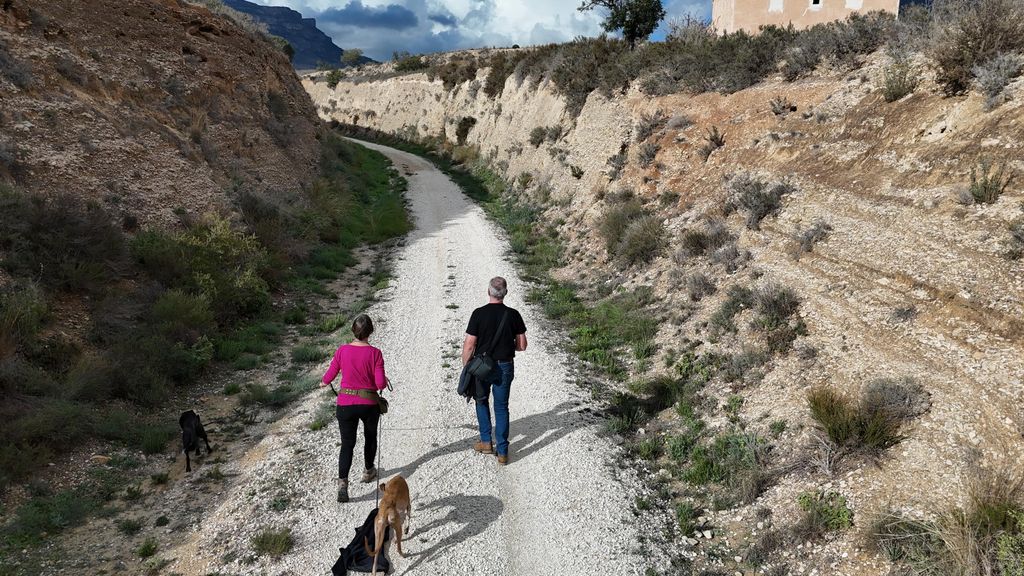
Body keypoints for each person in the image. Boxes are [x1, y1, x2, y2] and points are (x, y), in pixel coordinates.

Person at [321, 314, 387, 502]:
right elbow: (380, 383)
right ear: (370, 332)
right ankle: (368, 470)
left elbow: (331, 373)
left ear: (353, 330)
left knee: (347, 444)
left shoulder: (342, 351)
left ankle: (343, 482)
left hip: (345, 404)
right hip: (368, 404)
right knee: (370, 437)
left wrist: (323, 382)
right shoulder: (375, 353)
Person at [462, 276, 527, 465]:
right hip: (505, 365)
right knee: (501, 406)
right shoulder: (514, 315)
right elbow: (522, 345)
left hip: (482, 367)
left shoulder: (478, 314)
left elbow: (469, 345)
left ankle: (485, 442)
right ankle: (503, 452)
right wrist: (508, 347)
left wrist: (467, 367)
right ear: (505, 293)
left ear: (488, 291)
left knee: (481, 400)